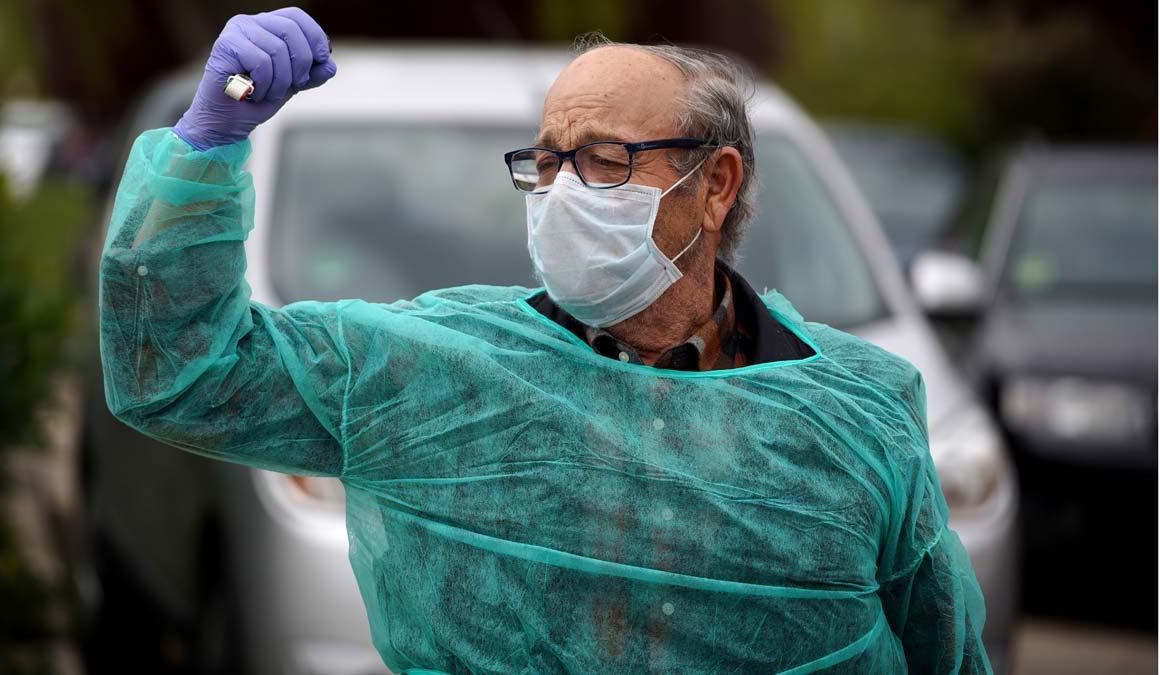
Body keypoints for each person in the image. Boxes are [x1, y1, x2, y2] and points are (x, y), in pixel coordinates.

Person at [100, 7, 991, 673]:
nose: (565, 191)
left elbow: (944, 651)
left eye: (605, 160)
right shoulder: (439, 372)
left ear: (716, 185)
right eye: (549, 162)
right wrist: (203, 151)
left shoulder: (856, 408)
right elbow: (182, 373)